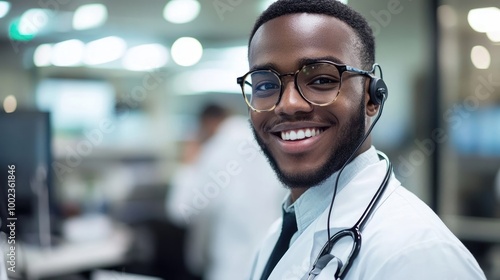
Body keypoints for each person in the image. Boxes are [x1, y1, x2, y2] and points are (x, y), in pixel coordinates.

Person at [235, 0, 487, 279]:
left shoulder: (416, 255)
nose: (289, 104)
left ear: (371, 97)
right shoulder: (277, 239)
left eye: (320, 80)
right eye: (266, 85)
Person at [166, 103, 286, 280]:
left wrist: (189, 163)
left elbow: (180, 210)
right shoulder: (270, 139)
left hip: (228, 269)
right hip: (274, 265)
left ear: (206, 123)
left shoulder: (216, 148)